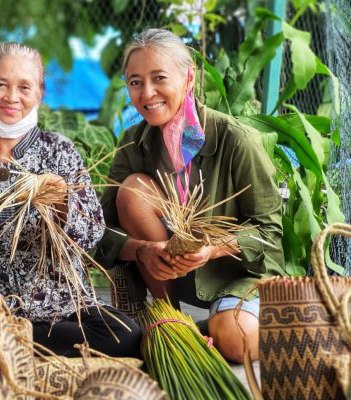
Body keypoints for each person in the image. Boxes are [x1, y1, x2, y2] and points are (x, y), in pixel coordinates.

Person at [0, 43, 141, 358]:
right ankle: (22, 340)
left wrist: (62, 204)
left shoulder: (60, 152)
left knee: (125, 335)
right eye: (0, 85)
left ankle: (6, 340)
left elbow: (91, 234)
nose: (12, 97)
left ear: (40, 93)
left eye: (24, 86)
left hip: (59, 304)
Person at [95, 29, 286, 363]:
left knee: (237, 341)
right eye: (135, 82)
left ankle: (215, 325)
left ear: (189, 78)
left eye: (159, 78)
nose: (147, 93)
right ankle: (173, 320)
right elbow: (100, 232)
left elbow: (269, 235)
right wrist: (143, 250)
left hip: (233, 277)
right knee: (134, 190)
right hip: (169, 279)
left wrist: (213, 247)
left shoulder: (236, 140)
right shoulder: (132, 143)